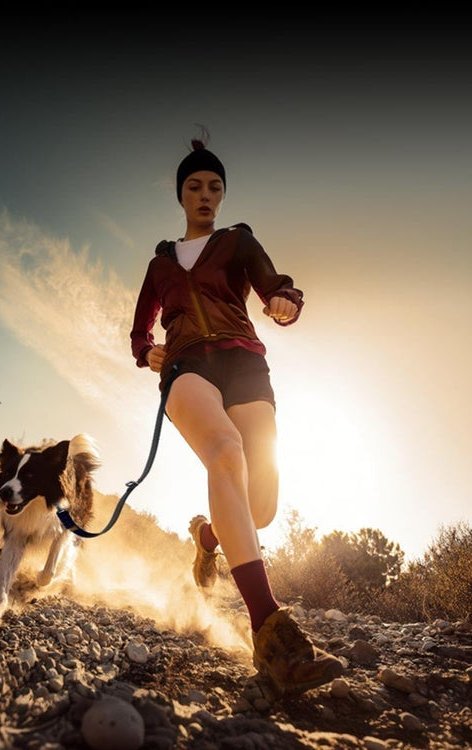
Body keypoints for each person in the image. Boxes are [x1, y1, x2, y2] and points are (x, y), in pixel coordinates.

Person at [128, 130, 344, 698]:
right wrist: (146, 351)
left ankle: (207, 539)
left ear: (222, 195)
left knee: (262, 508)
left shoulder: (238, 241)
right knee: (225, 451)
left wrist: (284, 302)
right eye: (194, 186)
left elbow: (275, 284)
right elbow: (139, 328)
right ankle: (270, 631)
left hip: (245, 362)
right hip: (186, 366)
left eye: (214, 186)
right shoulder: (161, 263)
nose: (205, 194)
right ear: (180, 195)